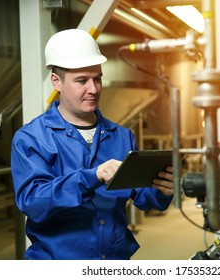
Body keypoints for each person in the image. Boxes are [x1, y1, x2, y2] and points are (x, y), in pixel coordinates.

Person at [11, 29, 174, 260]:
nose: (94, 89)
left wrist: (162, 190)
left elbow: (145, 198)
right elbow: (33, 202)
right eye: (82, 81)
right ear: (56, 82)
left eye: (97, 78)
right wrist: (92, 175)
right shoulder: (32, 138)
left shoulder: (121, 136)